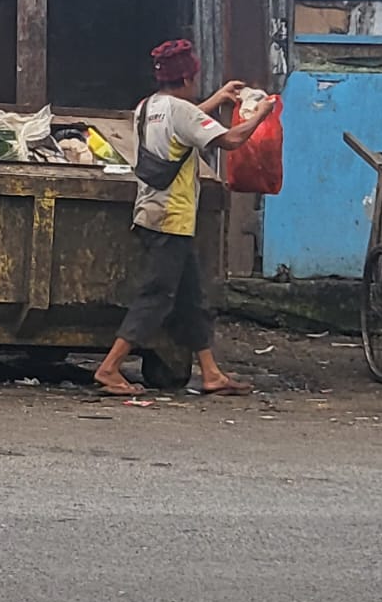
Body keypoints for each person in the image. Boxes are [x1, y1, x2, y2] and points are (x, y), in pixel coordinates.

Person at [93, 39, 277, 396]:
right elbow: (232, 140)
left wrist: (218, 98)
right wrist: (261, 116)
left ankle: (210, 372)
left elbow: (185, 122)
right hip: (172, 219)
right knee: (158, 296)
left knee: (193, 299)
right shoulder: (184, 112)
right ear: (189, 77)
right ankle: (109, 368)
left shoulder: (147, 107)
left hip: (150, 212)